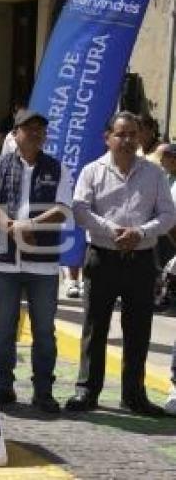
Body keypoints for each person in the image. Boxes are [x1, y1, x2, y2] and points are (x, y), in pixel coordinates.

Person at [66, 111, 176, 416]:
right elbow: (79, 209)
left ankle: (134, 394)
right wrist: (112, 230)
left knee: (138, 329)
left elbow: (168, 215)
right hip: (102, 257)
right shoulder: (92, 171)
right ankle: (86, 390)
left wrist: (140, 232)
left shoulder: (154, 174)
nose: (127, 140)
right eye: (121, 134)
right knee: (95, 326)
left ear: (140, 137)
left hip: (141, 259)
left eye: (133, 134)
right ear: (108, 137)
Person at [0, 110, 73, 412]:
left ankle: (43, 390)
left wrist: (30, 226)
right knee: (4, 328)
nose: (35, 133)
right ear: (15, 134)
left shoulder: (58, 168)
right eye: (28, 128)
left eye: (40, 129)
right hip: (3, 263)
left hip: (43, 265)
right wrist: (13, 227)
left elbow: (62, 209)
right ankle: (2, 386)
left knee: (44, 330)